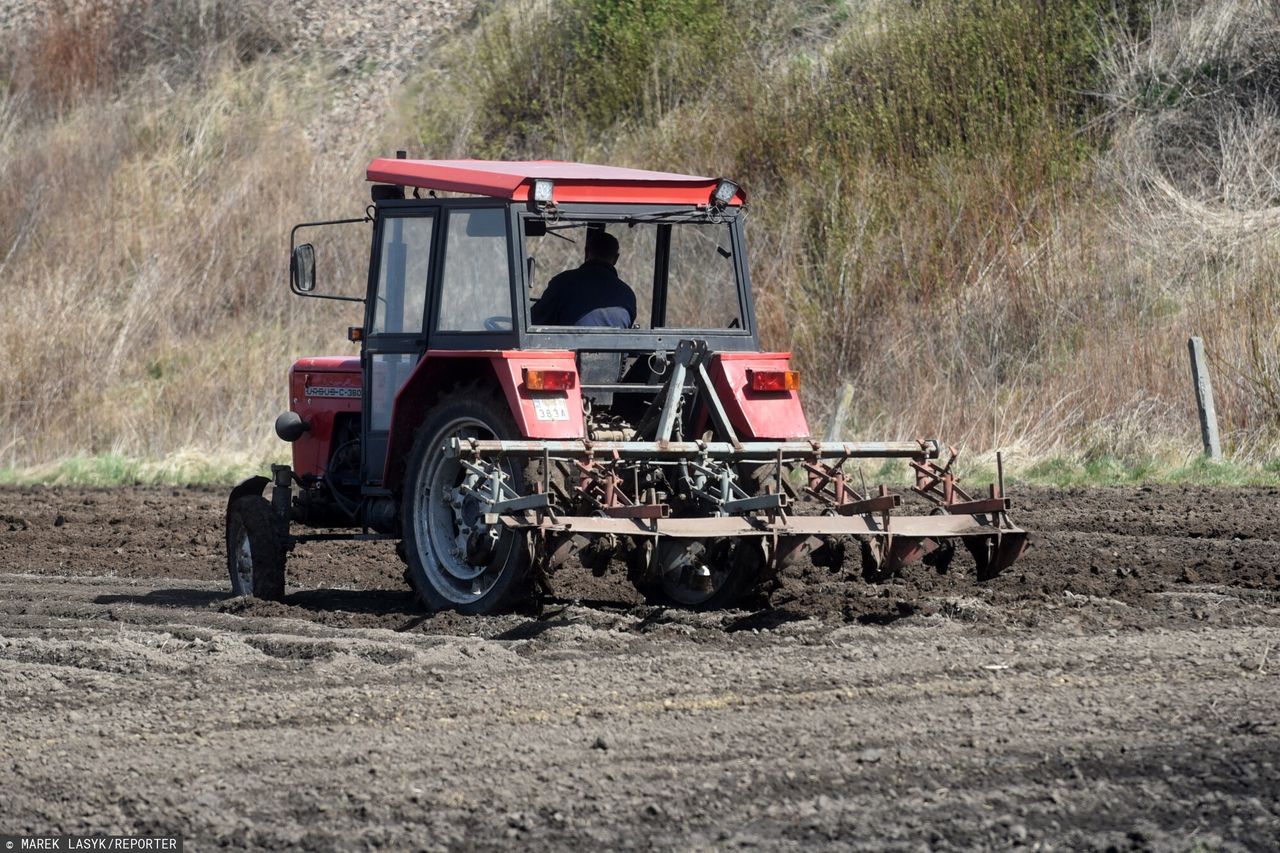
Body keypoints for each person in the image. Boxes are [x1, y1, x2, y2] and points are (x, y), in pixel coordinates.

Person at [530, 229, 637, 327]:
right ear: (616, 258)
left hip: (567, 343)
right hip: (613, 343)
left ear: (586, 252)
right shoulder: (627, 295)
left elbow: (534, 321)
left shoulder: (562, 283)